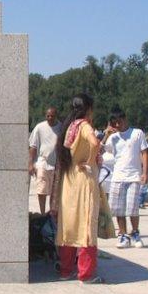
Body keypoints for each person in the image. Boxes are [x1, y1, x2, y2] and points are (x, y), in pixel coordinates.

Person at [52, 93, 104, 284]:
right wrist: (90, 161)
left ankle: (66, 269)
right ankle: (86, 273)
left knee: (68, 225)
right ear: (88, 108)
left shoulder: (68, 126)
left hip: (69, 178)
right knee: (86, 225)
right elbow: (95, 142)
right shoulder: (84, 125)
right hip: (83, 179)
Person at [103, 108, 148, 248]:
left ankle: (135, 233)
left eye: (119, 122)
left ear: (125, 119)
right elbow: (100, 150)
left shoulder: (137, 133)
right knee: (119, 209)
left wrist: (145, 172)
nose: (118, 125)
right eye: (114, 123)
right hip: (118, 176)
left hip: (133, 176)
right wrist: (106, 135)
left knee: (133, 208)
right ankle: (123, 235)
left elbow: (144, 152)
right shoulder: (113, 137)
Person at [28, 107, 62, 214]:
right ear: (45, 116)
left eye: (52, 116)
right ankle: (43, 213)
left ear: (56, 116)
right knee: (41, 190)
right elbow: (33, 146)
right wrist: (30, 163)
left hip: (56, 164)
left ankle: (52, 213)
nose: (50, 118)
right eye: (48, 116)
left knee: (55, 192)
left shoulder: (61, 128)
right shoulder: (39, 127)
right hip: (43, 162)